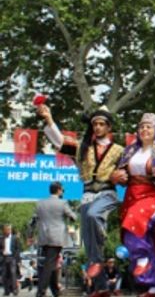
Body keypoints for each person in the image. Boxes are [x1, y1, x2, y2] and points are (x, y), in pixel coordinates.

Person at [36, 104, 124, 295]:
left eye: (102, 124)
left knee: (93, 216)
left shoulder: (119, 150)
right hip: (87, 195)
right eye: (95, 124)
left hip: (107, 193)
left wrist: (122, 176)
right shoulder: (82, 148)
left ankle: (100, 232)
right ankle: (101, 287)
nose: (98, 127)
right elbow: (59, 141)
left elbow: (130, 172)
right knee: (89, 242)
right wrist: (49, 118)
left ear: (109, 127)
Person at [111, 113, 155, 297]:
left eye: (149, 127)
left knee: (134, 223)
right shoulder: (129, 151)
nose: (145, 130)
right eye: (142, 127)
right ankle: (153, 286)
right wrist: (117, 177)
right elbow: (119, 175)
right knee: (144, 237)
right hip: (132, 197)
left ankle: (143, 260)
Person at [28, 183, 76, 297]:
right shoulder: (62, 203)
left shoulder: (40, 203)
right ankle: (41, 291)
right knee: (49, 264)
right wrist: (71, 215)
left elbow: (33, 221)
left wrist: (30, 235)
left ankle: (55, 291)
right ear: (59, 190)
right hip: (57, 237)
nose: (63, 193)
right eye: (62, 190)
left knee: (51, 263)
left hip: (44, 236)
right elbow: (73, 217)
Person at [1, 224, 21, 296]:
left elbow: (18, 249)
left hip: (12, 258)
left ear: (10, 230)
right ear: (4, 230)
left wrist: (18, 260)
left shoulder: (15, 238)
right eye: (5, 229)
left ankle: (14, 290)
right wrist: (2, 252)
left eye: (8, 229)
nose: (7, 231)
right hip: (4, 258)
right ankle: (7, 291)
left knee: (13, 274)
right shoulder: (1, 238)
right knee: (5, 274)